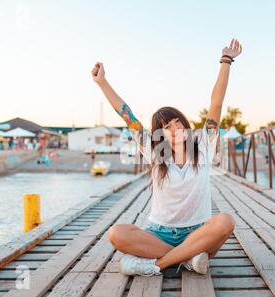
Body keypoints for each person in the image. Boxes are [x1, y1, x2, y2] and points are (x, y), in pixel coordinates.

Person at [91, 39, 242, 276]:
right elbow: (126, 114)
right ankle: (188, 259)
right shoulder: (154, 152)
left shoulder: (202, 144)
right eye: (168, 127)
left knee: (225, 222)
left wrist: (226, 60)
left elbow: (216, 103)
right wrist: (102, 82)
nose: (176, 128)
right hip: (159, 233)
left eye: (177, 121)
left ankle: (157, 265)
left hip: (198, 232)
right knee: (116, 234)